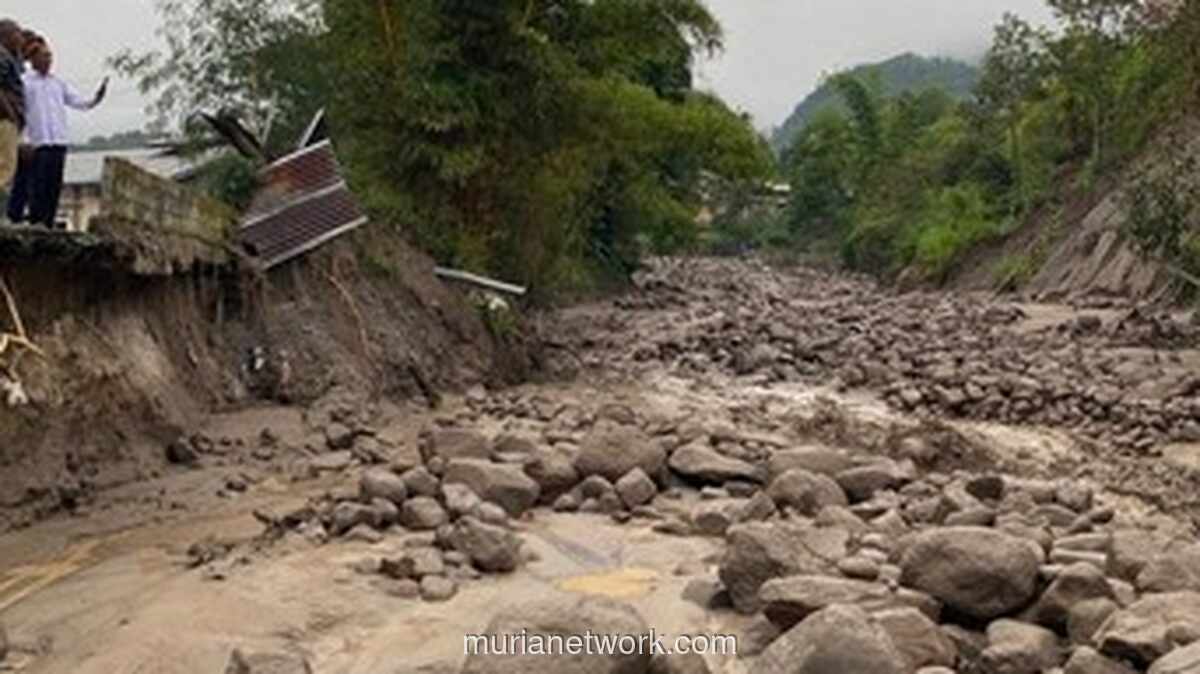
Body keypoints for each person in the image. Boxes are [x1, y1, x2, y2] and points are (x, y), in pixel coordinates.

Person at [12, 41, 106, 228]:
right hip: (38, 141)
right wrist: (23, 140)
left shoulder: (58, 83)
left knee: (54, 184)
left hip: (58, 139)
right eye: (44, 56)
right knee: (38, 184)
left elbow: (78, 101)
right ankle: (36, 220)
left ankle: (48, 220)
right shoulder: (25, 83)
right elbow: (19, 113)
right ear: (33, 59)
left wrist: (96, 98)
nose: (48, 60)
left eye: (50, 56)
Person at [6, 31, 44, 224]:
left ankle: (18, 215)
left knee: (26, 176)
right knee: (12, 173)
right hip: (14, 128)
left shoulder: (21, 70)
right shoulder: (20, 76)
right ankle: (13, 214)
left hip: (24, 131)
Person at [0, 19, 26, 194]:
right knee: (5, 166)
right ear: (7, 35)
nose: (21, 38)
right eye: (18, 33)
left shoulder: (11, 56)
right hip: (5, 116)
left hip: (9, 115)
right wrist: (11, 114)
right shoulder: (2, 57)